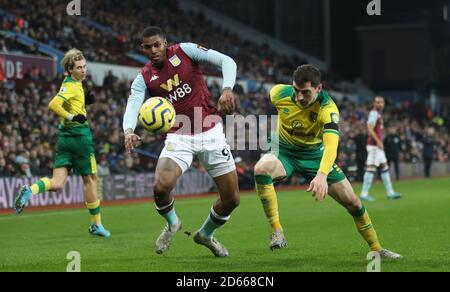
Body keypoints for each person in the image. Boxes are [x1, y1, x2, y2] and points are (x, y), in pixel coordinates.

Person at [253, 64, 401, 259]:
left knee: (354, 203)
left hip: (315, 155)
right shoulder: (278, 93)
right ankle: (277, 230)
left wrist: (322, 175)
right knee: (261, 169)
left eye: (305, 92)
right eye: (296, 91)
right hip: (285, 152)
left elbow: (331, 145)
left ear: (318, 88)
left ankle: (377, 249)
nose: (299, 97)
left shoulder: (328, 108)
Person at [123, 26, 239, 257]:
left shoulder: (185, 51)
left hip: (210, 131)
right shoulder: (144, 77)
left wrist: (227, 89)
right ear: (142, 49)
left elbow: (227, 61)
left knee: (232, 199)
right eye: (148, 47)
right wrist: (128, 130)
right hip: (179, 134)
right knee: (160, 187)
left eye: (157, 44)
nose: (154, 50)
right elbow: (134, 103)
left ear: (165, 42)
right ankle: (172, 223)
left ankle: (206, 234)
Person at [14, 49, 111, 237]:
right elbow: (53, 104)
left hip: (64, 138)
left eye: (84, 67)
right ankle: (96, 224)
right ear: (70, 69)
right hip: (80, 137)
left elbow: (68, 101)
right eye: (79, 68)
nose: (83, 71)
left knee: (57, 183)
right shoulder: (73, 86)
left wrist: (83, 105)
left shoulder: (71, 83)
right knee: (90, 179)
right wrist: (73, 115)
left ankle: (30, 190)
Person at [360, 96, 402, 201]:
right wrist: (378, 141)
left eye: (381, 102)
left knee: (384, 167)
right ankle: (364, 194)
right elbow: (369, 127)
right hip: (374, 146)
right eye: (378, 102)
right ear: (374, 103)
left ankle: (390, 192)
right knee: (371, 168)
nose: (380, 104)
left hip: (377, 147)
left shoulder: (378, 114)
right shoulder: (374, 113)